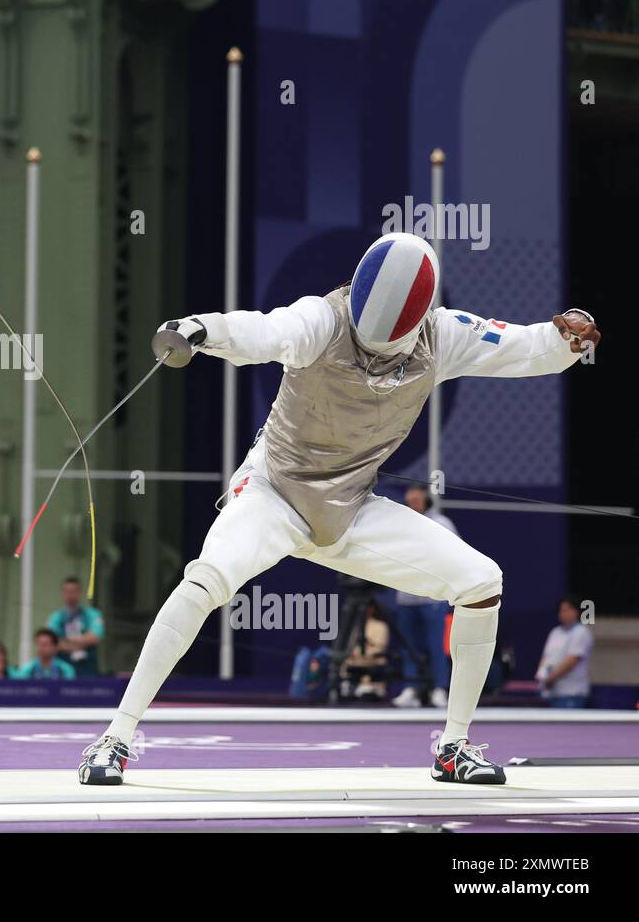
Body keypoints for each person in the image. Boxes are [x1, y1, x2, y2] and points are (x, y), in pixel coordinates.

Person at [80, 232, 598, 787]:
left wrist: (564, 335)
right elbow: (262, 329)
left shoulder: (442, 335)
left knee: (481, 581)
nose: (373, 357)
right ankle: (114, 737)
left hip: (349, 507)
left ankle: (453, 747)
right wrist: (200, 329)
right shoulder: (322, 321)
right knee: (206, 579)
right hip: (273, 494)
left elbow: (521, 346)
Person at [391, 485, 456, 708]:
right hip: (406, 597)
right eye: (408, 502)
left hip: (433, 598)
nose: (412, 506)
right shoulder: (400, 525)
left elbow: (455, 555)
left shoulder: (442, 524)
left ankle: (439, 688)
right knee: (410, 646)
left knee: (436, 646)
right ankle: (412, 689)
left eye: (416, 501)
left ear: (427, 501)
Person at [536, 596, 592, 708]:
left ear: (576, 612)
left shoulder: (581, 632)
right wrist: (541, 676)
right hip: (553, 693)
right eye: (561, 610)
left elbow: (571, 661)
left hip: (572, 694)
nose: (563, 613)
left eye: (567, 610)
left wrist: (550, 678)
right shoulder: (555, 632)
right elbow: (546, 657)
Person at [46, 577, 105, 676]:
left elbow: (95, 637)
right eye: (67, 591)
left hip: (88, 666)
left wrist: (66, 640)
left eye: (73, 591)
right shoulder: (55, 617)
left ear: (79, 593)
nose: (70, 595)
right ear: (63, 593)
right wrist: (83, 642)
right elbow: (52, 641)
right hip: (63, 664)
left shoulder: (93, 614)